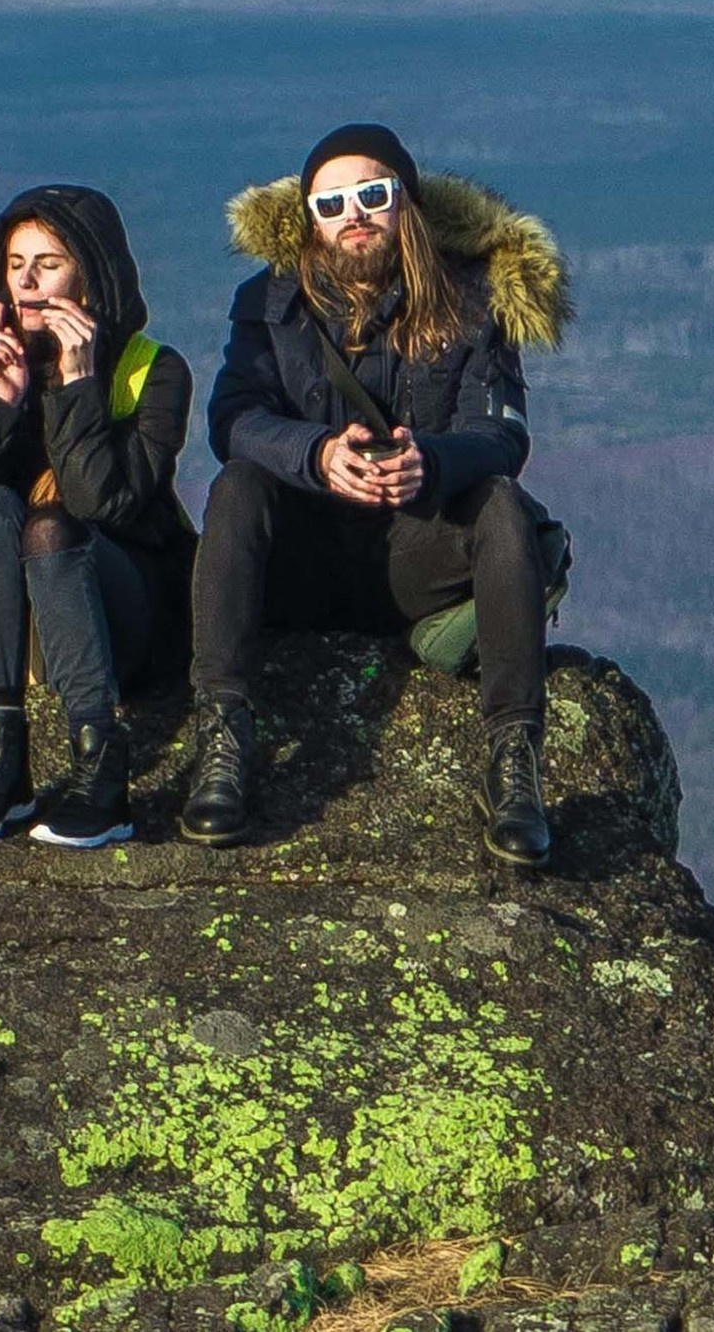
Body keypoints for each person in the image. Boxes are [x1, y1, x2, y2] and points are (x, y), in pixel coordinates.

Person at [183, 122, 571, 865]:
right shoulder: (270, 305)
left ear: (406, 203)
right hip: (305, 562)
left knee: (499, 505)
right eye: (330, 203)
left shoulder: (475, 302)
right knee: (236, 489)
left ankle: (515, 761)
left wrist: (433, 460)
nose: (351, 214)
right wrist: (317, 454)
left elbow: (501, 436)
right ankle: (224, 736)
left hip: (412, 559)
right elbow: (234, 419)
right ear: (308, 218)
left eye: (371, 194)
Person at [0, 184, 194, 848]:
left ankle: (102, 776)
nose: (28, 280)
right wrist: (1, 412)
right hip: (10, 628)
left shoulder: (151, 371)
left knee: (50, 529)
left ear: (91, 275)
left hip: (117, 617)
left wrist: (78, 386)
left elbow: (108, 505)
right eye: (16, 264)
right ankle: (2, 768)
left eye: (49, 262)